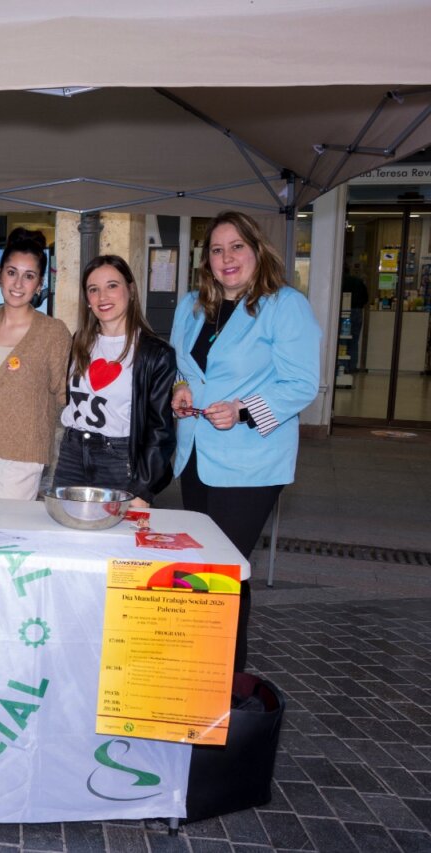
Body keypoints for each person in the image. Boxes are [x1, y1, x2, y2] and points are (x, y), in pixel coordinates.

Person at [171, 210, 321, 673]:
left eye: (236, 247)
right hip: (195, 455)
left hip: (251, 461)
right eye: (216, 250)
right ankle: (209, 668)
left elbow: (301, 383)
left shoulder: (285, 305)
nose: (226, 258)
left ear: (257, 250)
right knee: (213, 571)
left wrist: (240, 408)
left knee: (222, 570)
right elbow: (184, 368)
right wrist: (180, 389)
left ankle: (223, 678)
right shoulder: (192, 305)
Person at [0, 228, 70, 500]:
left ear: (40, 284)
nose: (18, 284)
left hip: (21, 456)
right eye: (11, 272)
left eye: (29, 276)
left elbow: (65, 394)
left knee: (6, 535)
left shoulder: (53, 332)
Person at [53, 255, 176, 506]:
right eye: (93, 289)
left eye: (112, 286)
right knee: (64, 536)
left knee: (117, 542)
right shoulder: (80, 341)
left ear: (130, 290)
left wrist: (143, 489)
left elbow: (160, 431)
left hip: (119, 460)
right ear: (87, 299)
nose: (102, 297)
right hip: (72, 453)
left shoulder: (155, 353)